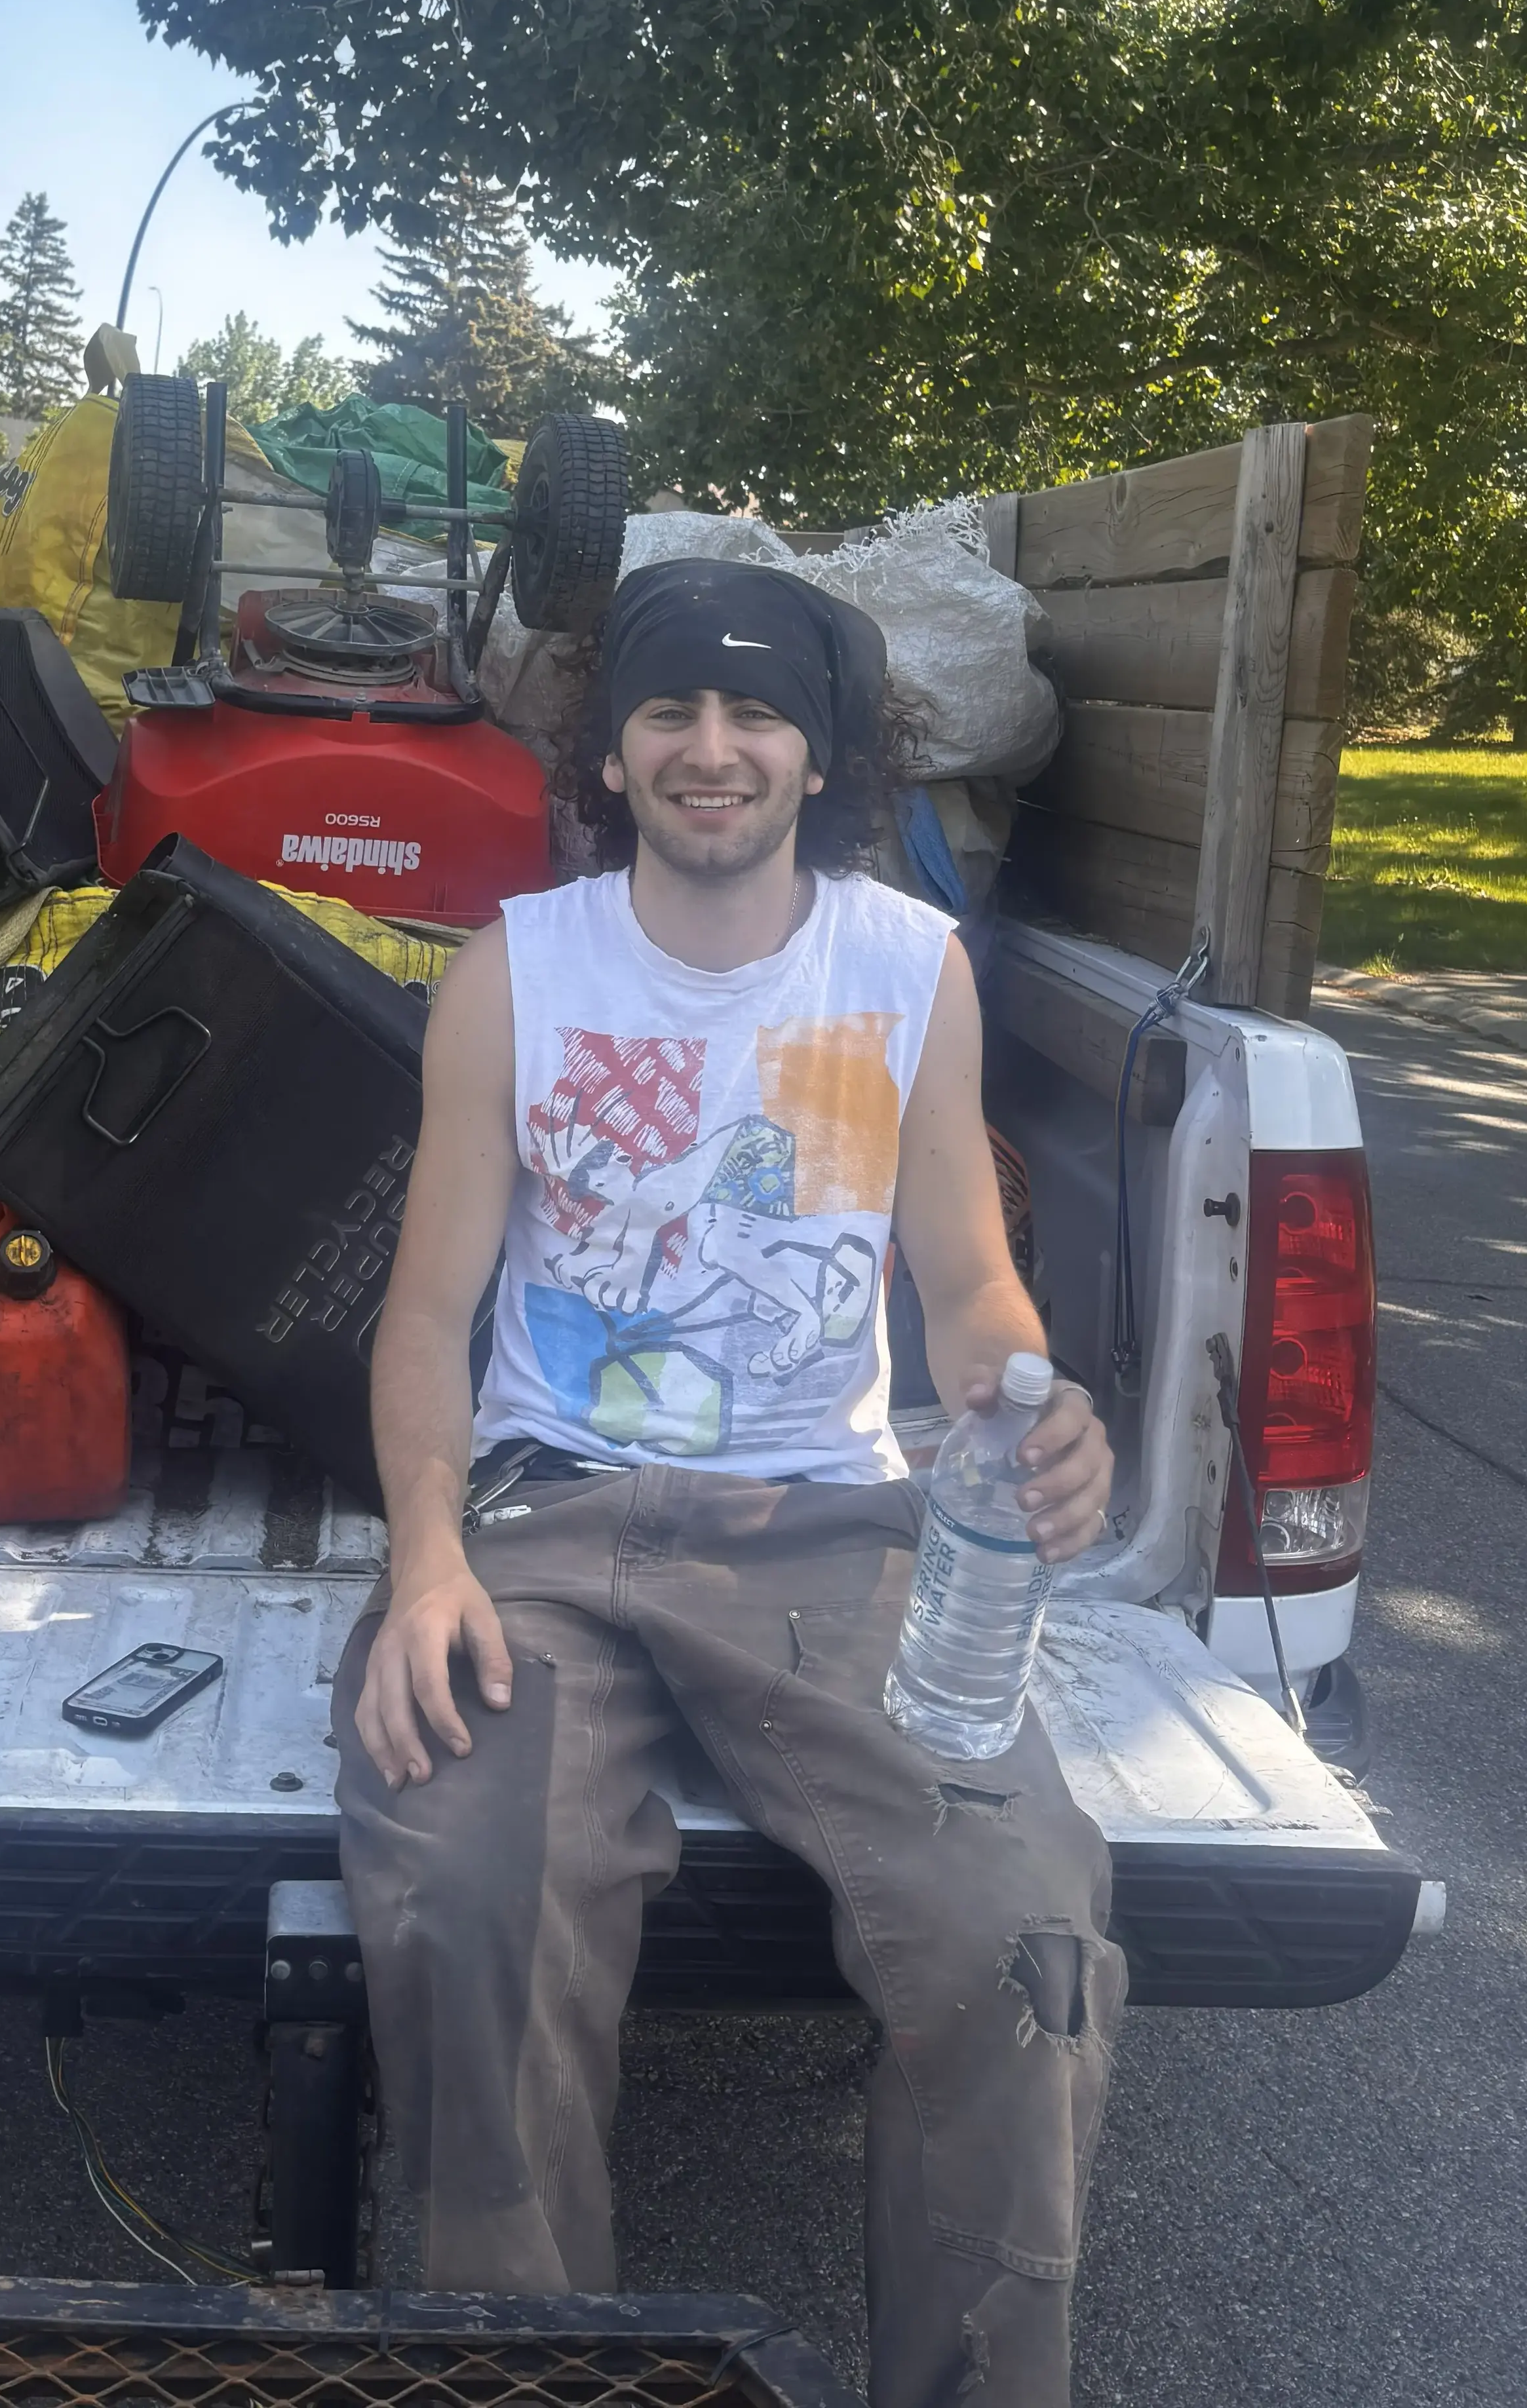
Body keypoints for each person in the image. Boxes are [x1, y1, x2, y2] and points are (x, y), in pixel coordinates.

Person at [342, 559, 1124, 2408]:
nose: (714, 750)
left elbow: (964, 1280)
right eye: (672, 712)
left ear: (821, 752)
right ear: (608, 754)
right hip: (547, 1517)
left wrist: (1030, 1397)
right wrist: (430, 1562)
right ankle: (532, 2378)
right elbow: (424, 1315)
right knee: (465, 1892)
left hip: (832, 1524)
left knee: (1024, 1919)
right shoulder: (512, 975)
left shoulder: (903, 966)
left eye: (758, 712)